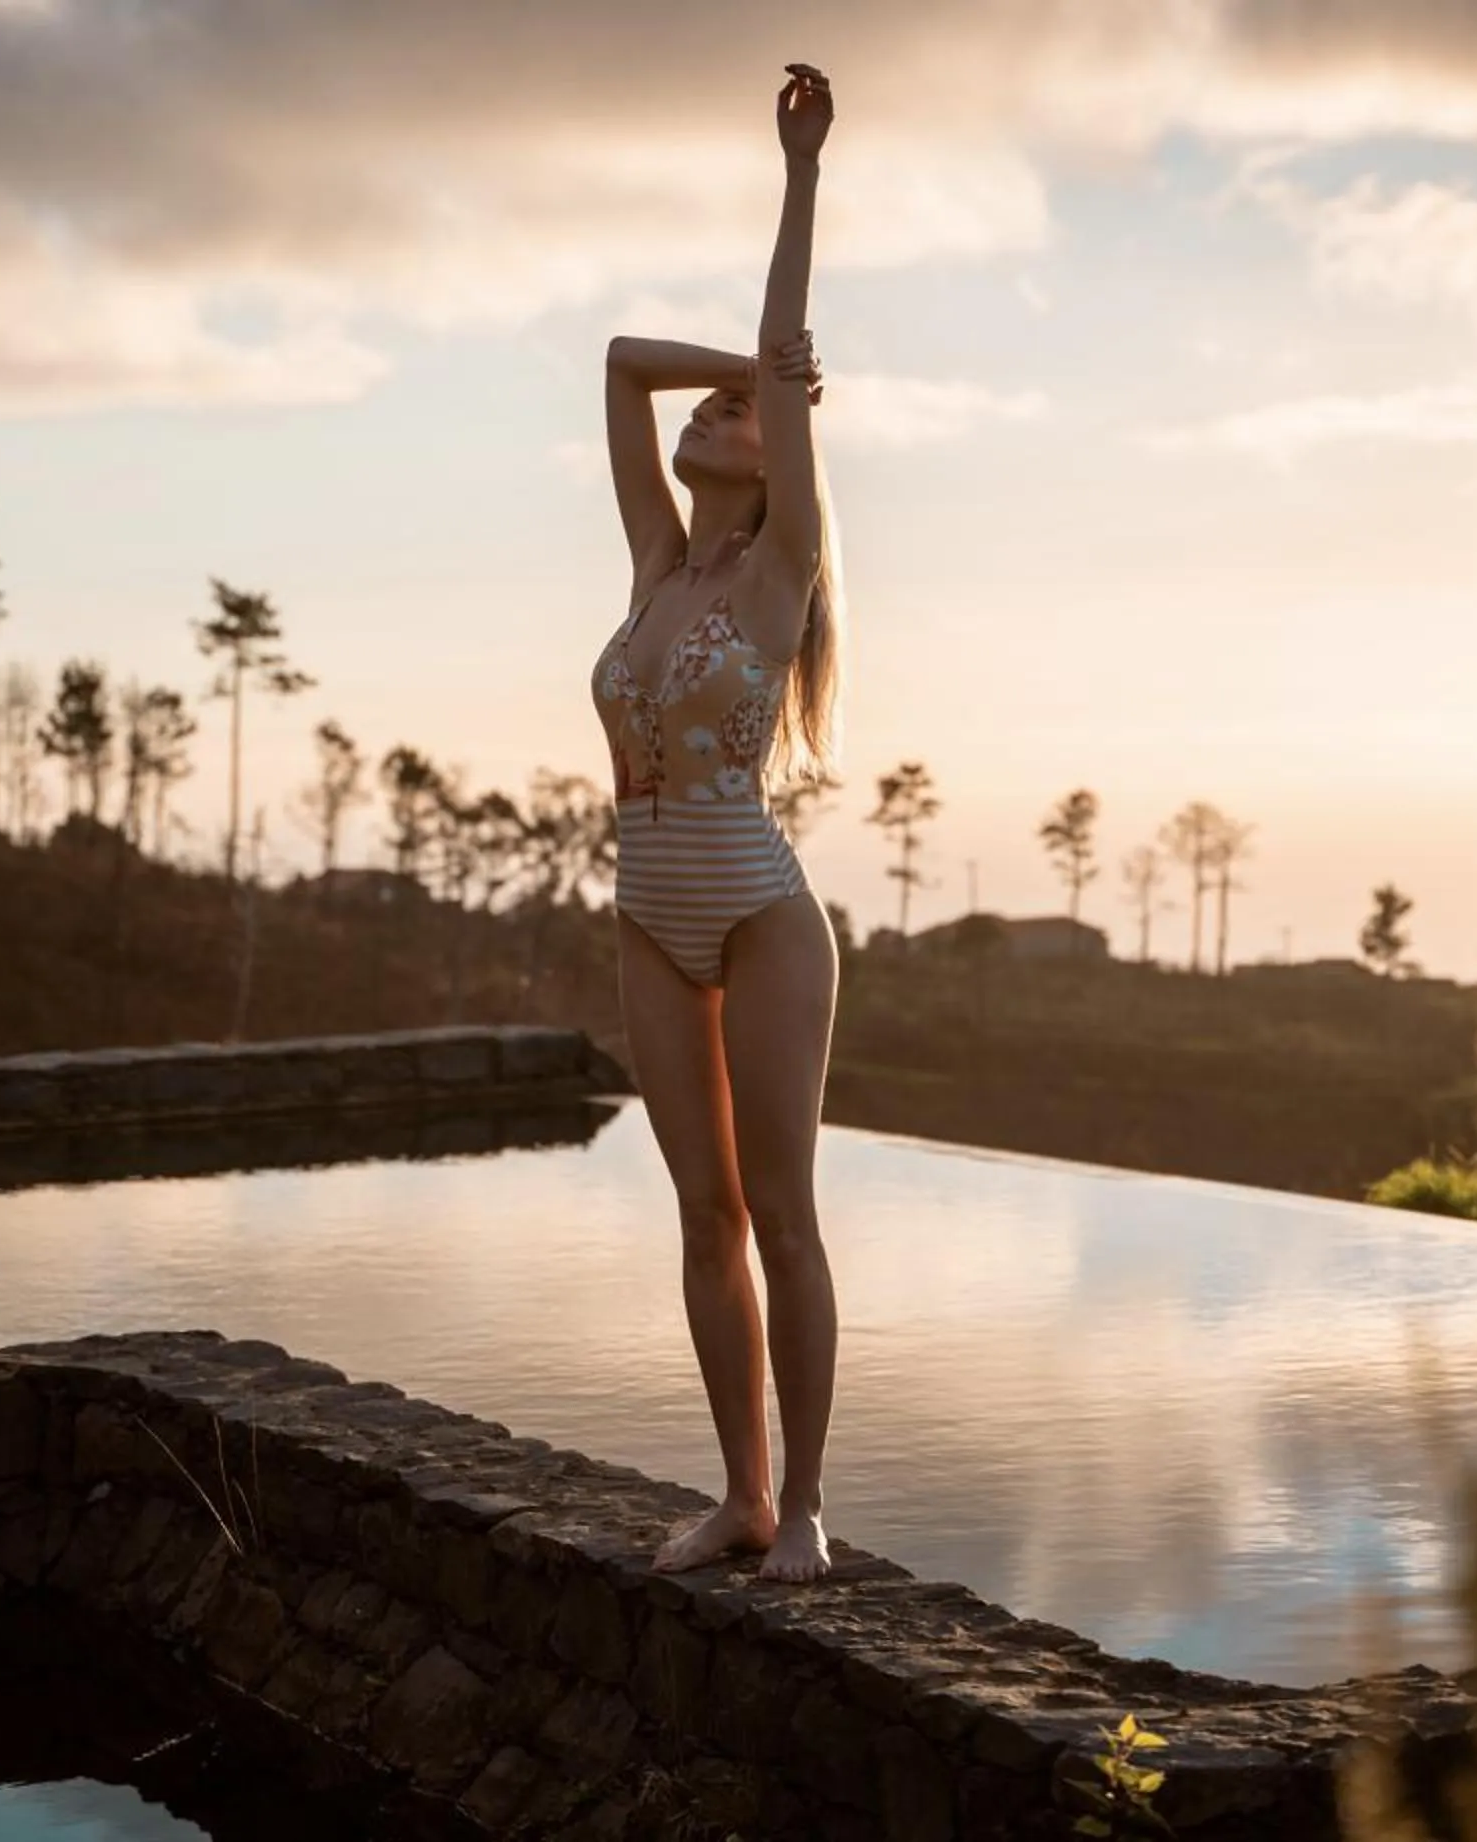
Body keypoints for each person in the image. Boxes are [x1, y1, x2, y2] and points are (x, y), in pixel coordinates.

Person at [588, 62, 843, 1583]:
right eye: (723, 406)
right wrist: (728, 370)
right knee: (701, 1214)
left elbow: (775, 373)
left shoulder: (776, 566)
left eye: (743, 410)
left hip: (757, 909)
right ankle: (741, 1495)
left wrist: (798, 171)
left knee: (782, 1209)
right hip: (644, 912)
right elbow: (624, 363)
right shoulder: (655, 564)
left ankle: (807, 1501)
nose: (716, 412)